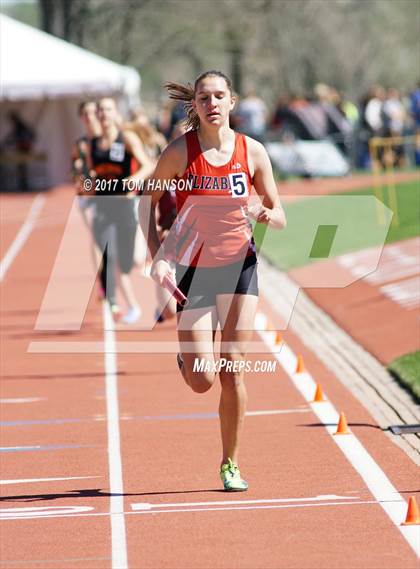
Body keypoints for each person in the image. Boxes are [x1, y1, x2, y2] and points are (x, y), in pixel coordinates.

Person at [139, 70, 286, 491]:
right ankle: (187, 360)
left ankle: (230, 463)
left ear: (233, 102)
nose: (212, 104)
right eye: (204, 98)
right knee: (203, 379)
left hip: (240, 267)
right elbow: (146, 203)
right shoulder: (180, 152)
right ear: (195, 106)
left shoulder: (252, 151)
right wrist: (158, 257)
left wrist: (265, 214)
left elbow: (280, 216)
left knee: (232, 370)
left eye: (219, 96)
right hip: (195, 270)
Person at [88, 97, 155, 323]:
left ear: (115, 112)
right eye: (100, 110)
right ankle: (116, 301)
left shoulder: (126, 139)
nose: (104, 114)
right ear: (97, 115)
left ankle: (123, 287)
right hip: (103, 207)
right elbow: (92, 173)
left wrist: (134, 179)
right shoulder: (94, 144)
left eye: (108, 109)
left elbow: (148, 165)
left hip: (125, 207)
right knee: (110, 254)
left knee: (131, 262)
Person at [71, 100, 103, 297]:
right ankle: (104, 281)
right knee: (97, 239)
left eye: (93, 112)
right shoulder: (80, 144)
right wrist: (79, 176)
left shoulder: (109, 139)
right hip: (88, 198)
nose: (90, 116)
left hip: (110, 194)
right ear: (82, 117)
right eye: (86, 113)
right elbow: (75, 171)